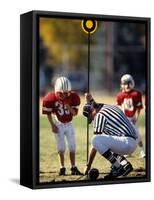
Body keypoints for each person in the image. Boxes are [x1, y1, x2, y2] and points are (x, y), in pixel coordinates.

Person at [83, 93, 139, 180]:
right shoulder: (108, 107)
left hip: (126, 143)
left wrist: (88, 165)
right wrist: (90, 100)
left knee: (95, 140)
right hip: (133, 140)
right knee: (107, 140)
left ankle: (117, 167)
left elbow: (95, 145)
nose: (93, 120)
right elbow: (95, 105)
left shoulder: (99, 116)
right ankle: (125, 165)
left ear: (93, 111)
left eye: (91, 117)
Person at [42, 76, 83, 176]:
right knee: (61, 148)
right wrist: (52, 125)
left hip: (69, 124)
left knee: (72, 147)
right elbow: (48, 113)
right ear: (56, 91)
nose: (64, 95)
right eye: (61, 93)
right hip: (59, 124)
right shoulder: (51, 98)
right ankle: (62, 167)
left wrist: (67, 105)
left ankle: (73, 167)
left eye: (66, 93)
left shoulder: (73, 97)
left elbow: (74, 113)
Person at [116, 74, 145, 158]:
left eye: (128, 83)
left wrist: (136, 117)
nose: (127, 85)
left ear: (132, 83)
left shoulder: (136, 94)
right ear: (122, 84)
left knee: (137, 135)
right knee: (124, 136)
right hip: (125, 118)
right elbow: (120, 107)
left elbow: (139, 108)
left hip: (133, 117)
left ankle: (142, 150)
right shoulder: (120, 95)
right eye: (125, 83)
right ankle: (128, 151)